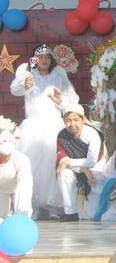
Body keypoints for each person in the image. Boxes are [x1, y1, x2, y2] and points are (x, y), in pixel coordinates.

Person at [10, 44, 79, 219]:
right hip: (32, 128)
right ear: (34, 59)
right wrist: (24, 83)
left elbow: (72, 100)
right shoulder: (27, 73)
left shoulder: (58, 75)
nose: (44, 60)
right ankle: (31, 207)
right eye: (40, 57)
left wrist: (60, 101)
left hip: (54, 126)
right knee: (31, 166)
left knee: (52, 166)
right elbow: (15, 90)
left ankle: (53, 206)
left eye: (47, 57)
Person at [55, 104, 106, 222]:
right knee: (64, 173)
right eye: (68, 120)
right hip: (77, 168)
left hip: (96, 168)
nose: (72, 124)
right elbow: (62, 161)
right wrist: (81, 169)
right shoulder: (62, 136)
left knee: (93, 213)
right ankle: (71, 213)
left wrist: (70, 162)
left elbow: (91, 161)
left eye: (76, 120)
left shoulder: (92, 134)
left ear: (83, 119)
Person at [0, 116, 32, 218]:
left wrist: (21, 214)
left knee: (22, 214)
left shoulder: (21, 160)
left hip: (16, 189)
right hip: (1, 192)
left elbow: (24, 186)